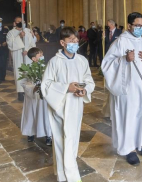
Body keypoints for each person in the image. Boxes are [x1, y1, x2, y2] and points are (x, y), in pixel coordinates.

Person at [102, 12, 142, 166]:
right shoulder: (120, 42)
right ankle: (129, 149)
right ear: (129, 26)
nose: (141, 28)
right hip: (128, 90)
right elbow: (107, 64)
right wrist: (124, 60)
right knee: (129, 117)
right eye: (137, 25)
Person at [41, 27, 95, 182]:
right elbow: (46, 85)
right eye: (71, 40)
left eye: (76, 40)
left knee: (72, 138)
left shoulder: (82, 60)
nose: (75, 42)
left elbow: (89, 81)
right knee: (60, 140)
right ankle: (70, 176)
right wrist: (66, 88)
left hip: (76, 105)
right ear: (62, 42)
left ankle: (65, 174)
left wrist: (84, 91)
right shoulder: (54, 62)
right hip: (59, 105)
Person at [21, 47, 52, 145]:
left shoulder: (47, 67)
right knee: (31, 114)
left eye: (42, 54)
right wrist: (33, 88)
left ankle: (48, 135)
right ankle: (30, 132)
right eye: (40, 55)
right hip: (33, 96)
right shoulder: (27, 69)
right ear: (33, 58)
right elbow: (24, 83)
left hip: (44, 96)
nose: (42, 56)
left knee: (46, 115)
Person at [7, 16, 36, 101]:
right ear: (14, 23)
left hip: (28, 56)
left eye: (22, 22)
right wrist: (19, 36)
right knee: (19, 73)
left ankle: (30, 91)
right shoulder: (11, 33)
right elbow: (10, 45)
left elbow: (32, 44)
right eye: (18, 22)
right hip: (18, 56)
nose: (20, 23)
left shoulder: (28, 31)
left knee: (29, 73)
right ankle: (20, 93)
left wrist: (28, 51)